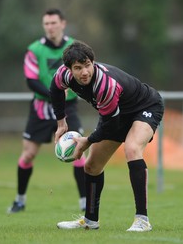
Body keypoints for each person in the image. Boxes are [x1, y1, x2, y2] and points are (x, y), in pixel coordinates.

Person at [50, 41, 164, 232]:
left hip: (145, 107)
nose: (84, 72)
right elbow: (55, 89)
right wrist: (61, 122)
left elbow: (110, 125)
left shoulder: (105, 85)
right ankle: (90, 221)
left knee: (132, 148)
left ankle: (142, 220)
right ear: (69, 69)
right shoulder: (63, 75)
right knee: (92, 166)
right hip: (116, 114)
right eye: (78, 68)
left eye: (87, 65)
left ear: (93, 61)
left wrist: (87, 141)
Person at [7, 9, 86, 213]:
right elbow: (31, 81)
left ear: (63, 24)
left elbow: (86, 73)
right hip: (41, 108)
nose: (50, 27)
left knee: (79, 152)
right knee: (28, 154)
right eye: (46, 24)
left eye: (53, 23)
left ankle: (85, 203)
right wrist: (56, 94)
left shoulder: (75, 48)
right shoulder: (34, 49)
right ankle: (19, 200)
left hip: (68, 107)